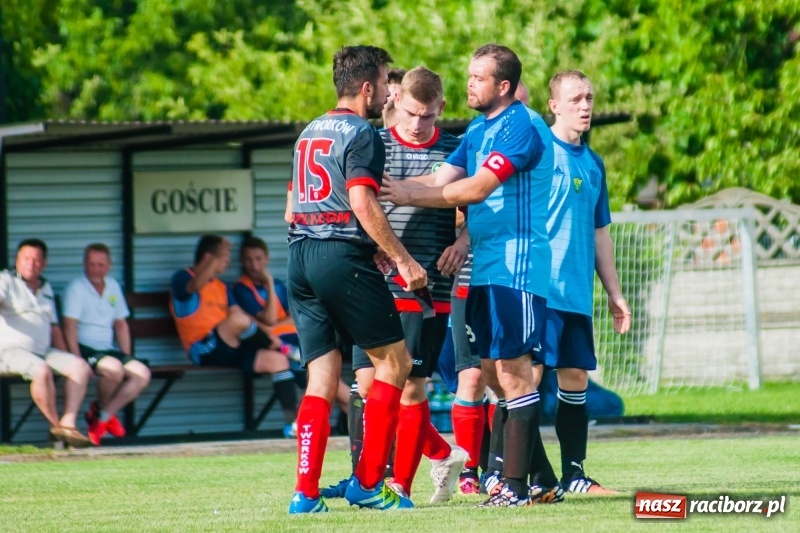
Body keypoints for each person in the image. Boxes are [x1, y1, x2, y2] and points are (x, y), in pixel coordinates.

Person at [379, 44, 561, 507]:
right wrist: (384, 187)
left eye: (478, 77)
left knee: (513, 372)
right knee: (490, 373)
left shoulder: (520, 125)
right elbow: (442, 174)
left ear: (503, 86)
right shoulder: (481, 127)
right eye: (469, 75)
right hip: (486, 269)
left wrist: (407, 196)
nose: (469, 84)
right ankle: (540, 480)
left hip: (516, 265)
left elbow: (477, 188)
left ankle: (514, 487)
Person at [285, 45, 427, 514]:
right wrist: (402, 259)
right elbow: (363, 202)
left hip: (299, 255)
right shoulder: (362, 132)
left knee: (321, 379)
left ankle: (304, 494)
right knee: (395, 364)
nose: (390, 90)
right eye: (387, 81)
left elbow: (293, 209)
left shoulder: (308, 132)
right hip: (338, 257)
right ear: (367, 86)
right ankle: (368, 484)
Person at [326, 66, 469, 504]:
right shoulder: (377, 144)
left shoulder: (456, 149)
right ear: (395, 103)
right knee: (367, 386)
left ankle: (397, 486)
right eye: (410, 113)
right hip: (375, 282)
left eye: (427, 116)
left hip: (430, 283)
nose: (417, 123)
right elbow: (358, 203)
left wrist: (464, 240)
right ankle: (439, 453)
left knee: (409, 384)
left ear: (441, 108)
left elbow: (479, 204)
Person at [545, 70, 631, 493]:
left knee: (574, 377)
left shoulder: (593, 163)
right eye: (575, 98)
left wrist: (614, 294)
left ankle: (574, 475)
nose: (585, 106)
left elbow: (600, 234)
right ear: (554, 105)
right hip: (533, 289)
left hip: (575, 292)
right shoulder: (537, 151)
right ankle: (506, 476)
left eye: (590, 98)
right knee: (516, 380)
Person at [168, 234, 298, 437]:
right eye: (224, 256)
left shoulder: (222, 286)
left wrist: (266, 334)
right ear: (210, 257)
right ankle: (282, 346)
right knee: (237, 320)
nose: (228, 261)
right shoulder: (182, 277)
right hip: (203, 348)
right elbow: (194, 286)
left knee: (277, 361)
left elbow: (243, 316)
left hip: (229, 344)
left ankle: (292, 424)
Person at [232, 236, 351, 413]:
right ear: (242, 261)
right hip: (277, 346)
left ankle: (357, 422)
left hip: (295, 341)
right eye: (249, 260)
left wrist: (275, 325)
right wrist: (269, 284)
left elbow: (296, 316)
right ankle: (362, 416)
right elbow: (270, 319)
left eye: (258, 259)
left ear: (266, 259)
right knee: (327, 382)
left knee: (329, 383)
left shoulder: (281, 285)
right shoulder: (241, 288)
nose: (254, 265)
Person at [0, 239, 93, 447]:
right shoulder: (6, 280)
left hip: (43, 350)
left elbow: (55, 327)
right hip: (10, 352)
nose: (31, 264)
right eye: (26, 259)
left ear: (44, 263)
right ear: (17, 260)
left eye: (36, 260)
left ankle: (67, 423)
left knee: (80, 367)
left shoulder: (46, 287)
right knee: (42, 371)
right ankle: (56, 427)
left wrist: (68, 358)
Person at [62, 243, 152, 445]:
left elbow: (120, 324)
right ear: (85, 264)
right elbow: (69, 326)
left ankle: (102, 416)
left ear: (109, 265)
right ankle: (100, 412)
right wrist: (78, 359)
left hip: (108, 349)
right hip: (86, 348)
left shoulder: (113, 286)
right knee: (114, 369)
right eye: (92, 264)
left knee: (142, 374)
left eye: (101, 265)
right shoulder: (77, 288)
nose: (96, 269)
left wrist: (127, 355)